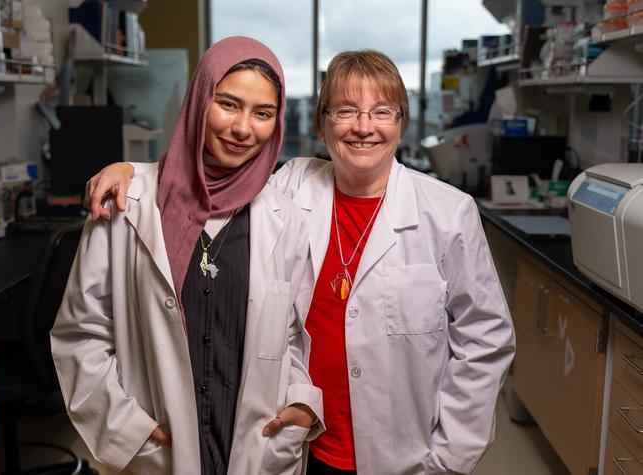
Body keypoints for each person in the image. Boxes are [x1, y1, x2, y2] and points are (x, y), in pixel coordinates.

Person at [84, 49, 515, 475]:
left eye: (382, 112)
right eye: (346, 111)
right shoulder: (290, 186)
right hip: (299, 439)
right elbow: (213, 176)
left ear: (401, 123)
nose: (364, 128)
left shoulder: (447, 212)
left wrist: (450, 457)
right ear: (321, 123)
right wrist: (135, 172)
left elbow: (485, 339)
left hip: (406, 453)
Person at [50, 36, 324, 475]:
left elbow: (291, 335)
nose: (243, 128)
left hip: (255, 445)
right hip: (159, 446)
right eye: (229, 104)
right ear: (199, 100)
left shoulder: (285, 219)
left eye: (263, 113)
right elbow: (80, 335)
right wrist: (124, 428)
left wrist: (300, 402)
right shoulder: (126, 202)